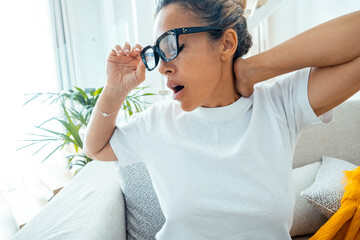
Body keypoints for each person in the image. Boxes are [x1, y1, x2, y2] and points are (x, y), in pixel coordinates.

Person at [83, 0, 360, 239]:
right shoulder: (157, 122)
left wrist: (253, 68)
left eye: (171, 45)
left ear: (226, 43)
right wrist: (115, 90)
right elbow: (96, 148)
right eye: (157, 52)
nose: (164, 68)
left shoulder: (279, 104)